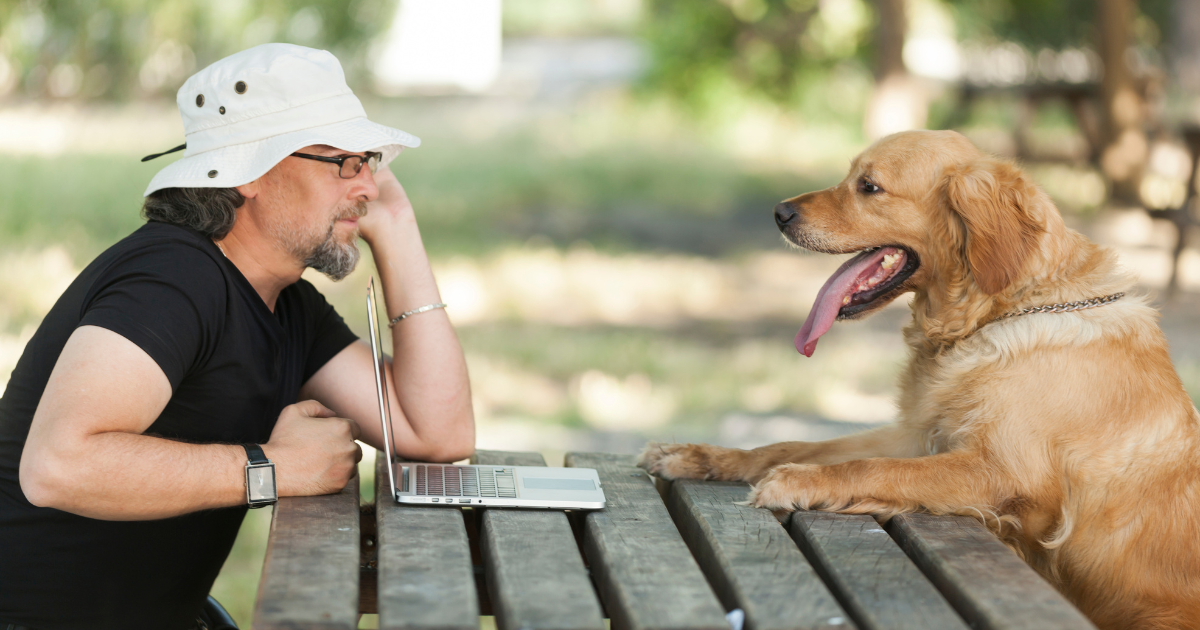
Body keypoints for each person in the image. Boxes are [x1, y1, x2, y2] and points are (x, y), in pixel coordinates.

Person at [0, 44, 475, 629]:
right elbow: (56, 466)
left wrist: (399, 233)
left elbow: (435, 433)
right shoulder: (172, 279)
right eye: (344, 162)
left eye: (369, 160)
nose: (369, 187)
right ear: (251, 171)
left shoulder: (283, 301)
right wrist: (272, 469)